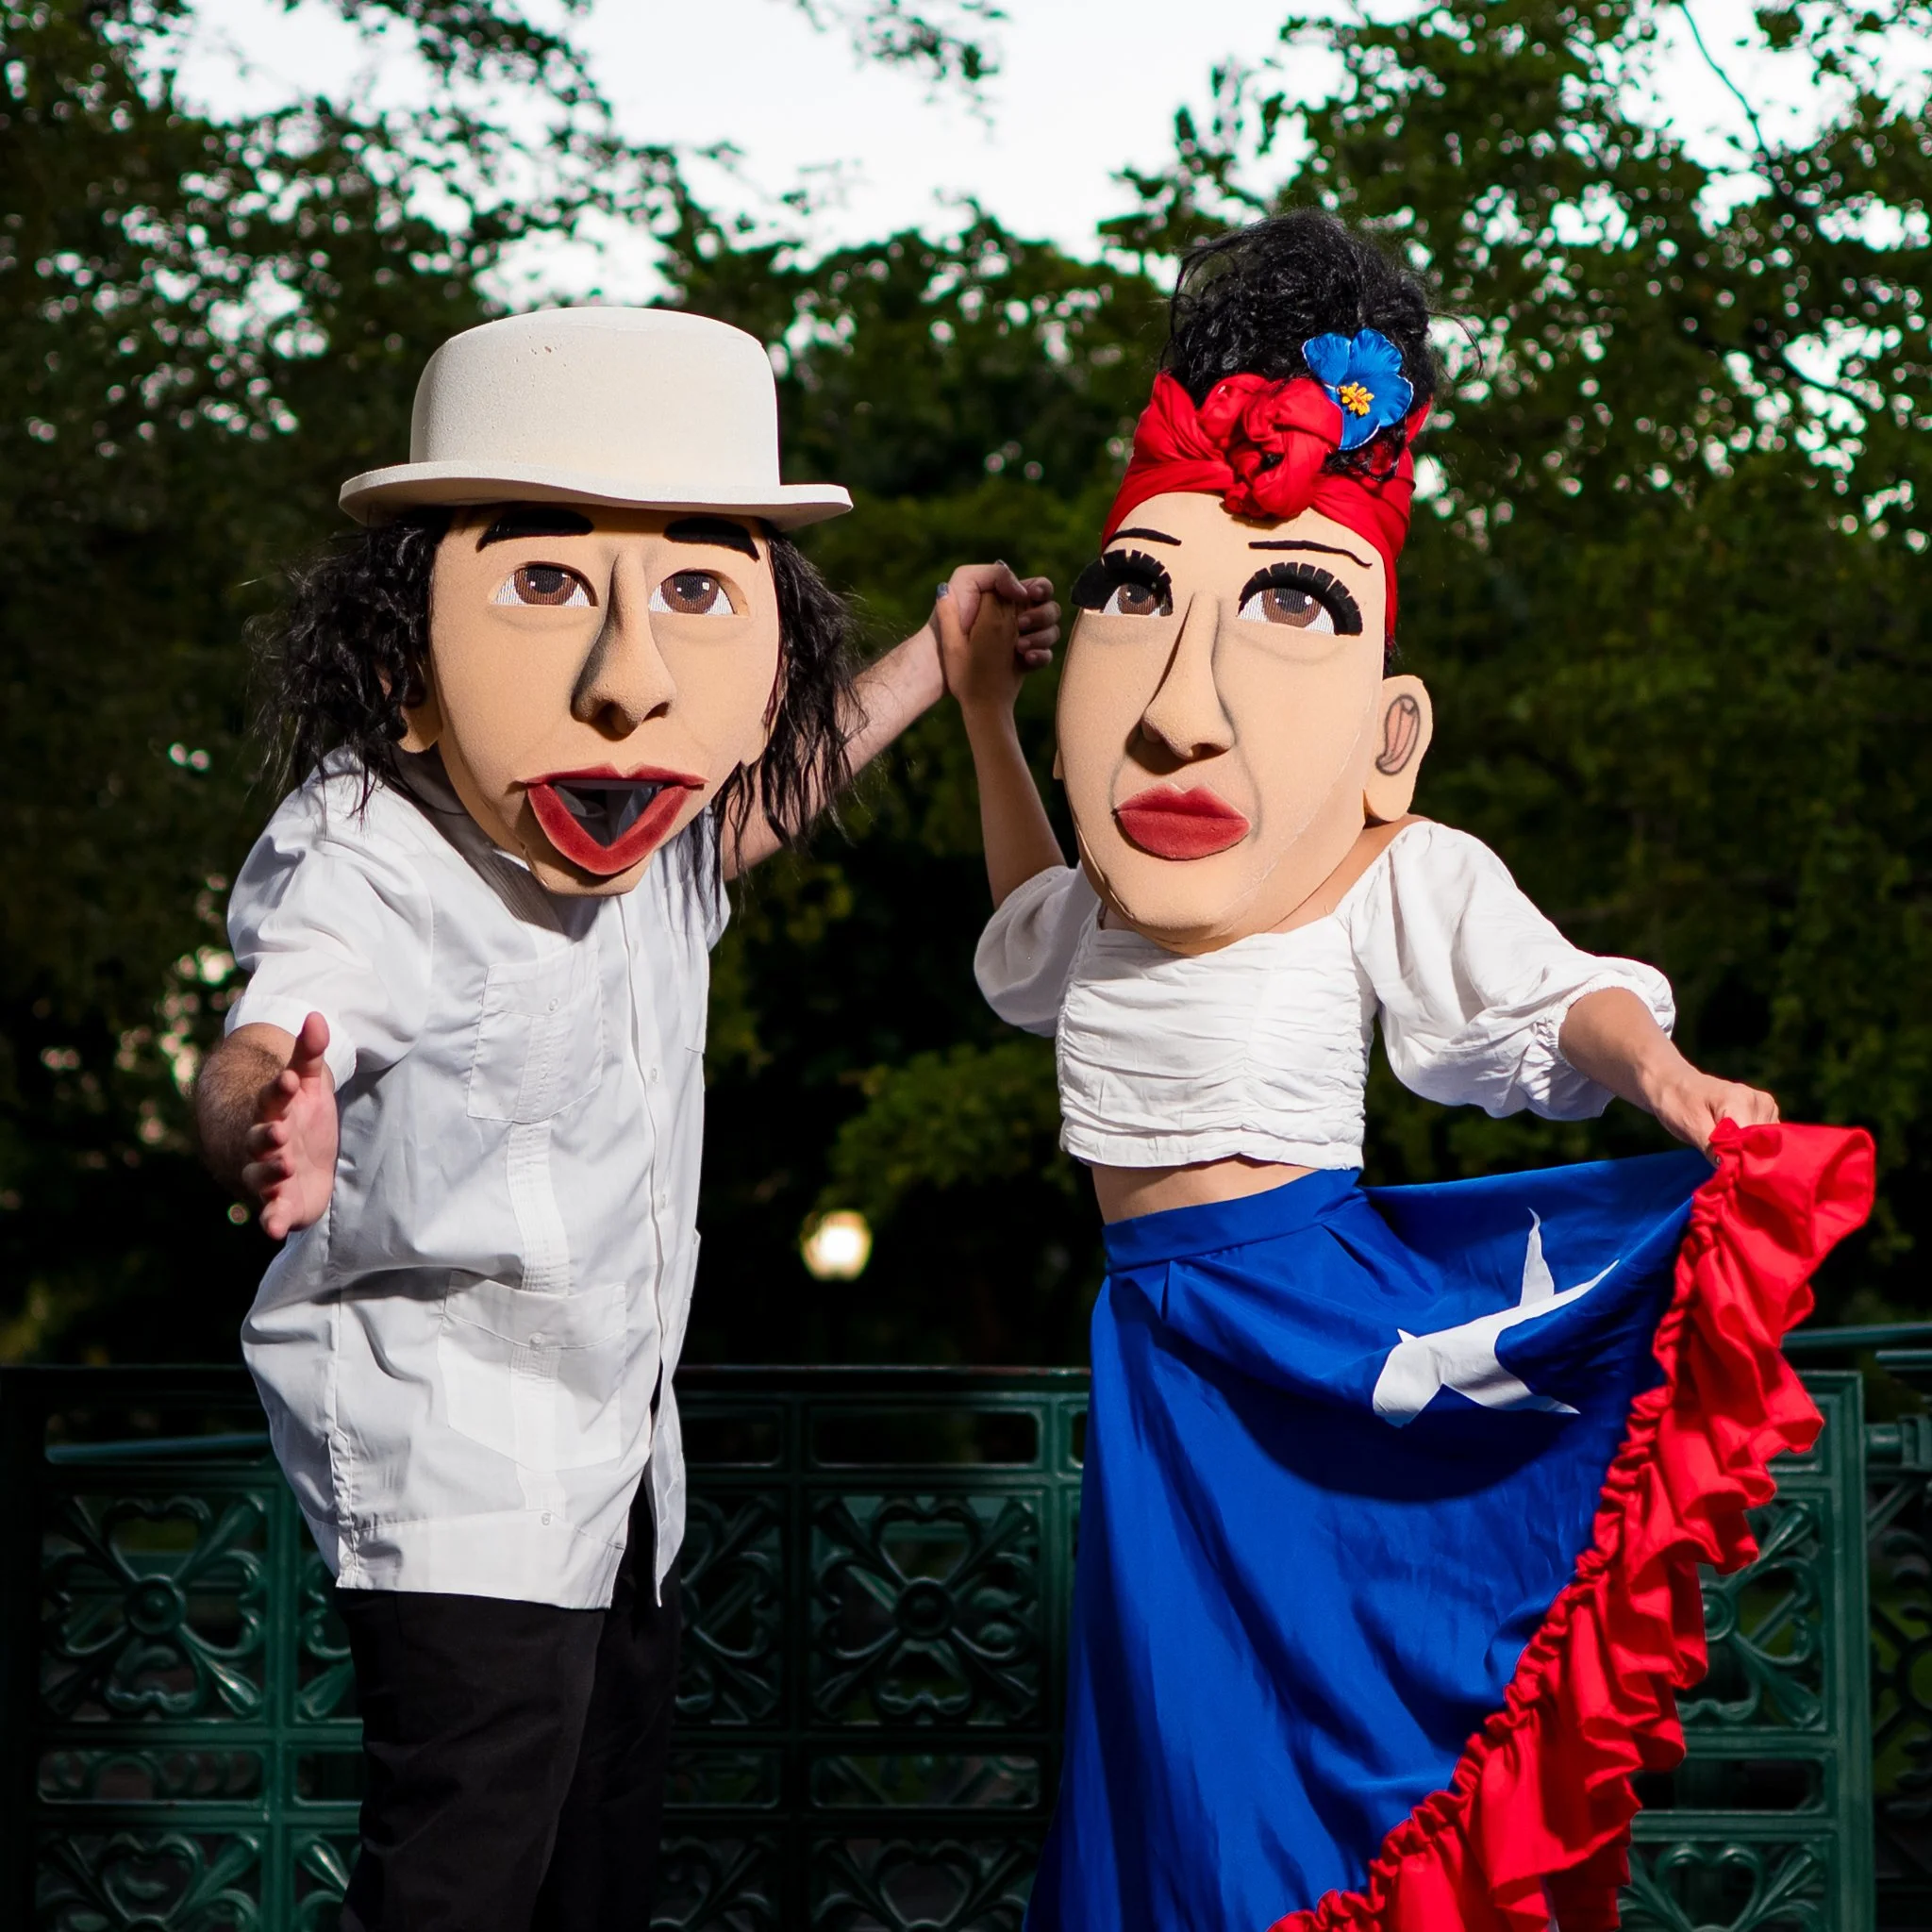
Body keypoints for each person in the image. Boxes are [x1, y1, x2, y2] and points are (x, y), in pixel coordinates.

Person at [938, 213, 1872, 1931]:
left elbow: (1555, 997)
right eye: (1142, 599)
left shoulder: (1380, 869)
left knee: (1354, 1749)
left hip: (1315, 1327)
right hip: (1161, 1343)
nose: (1181, 707)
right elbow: (1020, 947)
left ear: (1391, 739)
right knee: (1179, 1752)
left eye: (1287, 609)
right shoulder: (1115, 901)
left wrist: (1669, 1082)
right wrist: (989, 712)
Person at [192, 305, 1058, 1932]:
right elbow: (261, 1033)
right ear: (409, 642)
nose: (624, 678)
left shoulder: (646, 841)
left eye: (694, 598)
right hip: (454, 1472)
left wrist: (940, 669)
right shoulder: (370, 844)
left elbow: (762, 807)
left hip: (620, 1476)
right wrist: (268, 1114)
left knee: (598, 1883)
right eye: (541, 588)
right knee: (457, 1888)